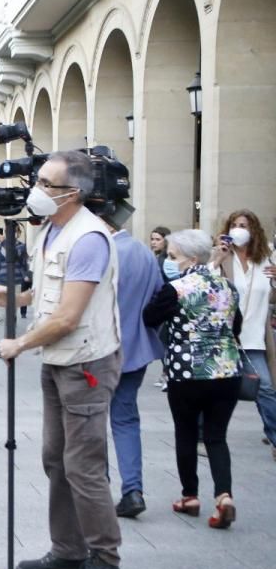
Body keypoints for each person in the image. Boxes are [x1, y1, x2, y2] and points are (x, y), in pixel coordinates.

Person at [0, 150, 124, 569]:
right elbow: (49, 293)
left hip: (85, 363)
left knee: (84, 465)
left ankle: (105, 561)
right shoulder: (53, 232)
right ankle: (68, 550)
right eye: (37, 180)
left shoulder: (88, 238)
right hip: (60, 361)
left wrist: (19, 343)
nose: (35, 190)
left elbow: (69, 314)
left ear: (73, 193)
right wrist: (15, 296)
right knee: (56, 459)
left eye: (46, 183)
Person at [143, 230, 242, 529]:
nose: (170, 261)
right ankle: (223, 495)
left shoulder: (176, 288)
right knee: (216, 436)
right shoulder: (229, 287)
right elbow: (235, 325)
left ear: (193, 258)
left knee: (185, 432)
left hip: (187, 372)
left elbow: (150, 318)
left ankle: (190, 495)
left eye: (173, 256)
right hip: (226, 371)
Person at [105, 214, 164, 518]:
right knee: (126, 419)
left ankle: (100, 489)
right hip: (137, 348)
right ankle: (133, 489)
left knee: (91, 421)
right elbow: (158, 295)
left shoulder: (100, 248)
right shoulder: (143, 250)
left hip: (100, 349)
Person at [209, 209, 276, 459]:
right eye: (235, 225)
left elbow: (271, 298)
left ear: (254, 230)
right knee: (214, 389)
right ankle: (205, 435)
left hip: (255, 337)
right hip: (225, 337)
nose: (239, 229)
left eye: (245, 225)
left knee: (266, 387)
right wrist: (216, 257)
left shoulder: (264, 260)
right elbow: (205, 285)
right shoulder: (223, 259)